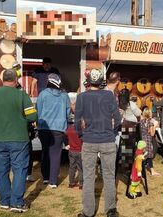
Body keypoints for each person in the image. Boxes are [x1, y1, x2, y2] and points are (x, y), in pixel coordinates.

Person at [0, 69, 37, 213]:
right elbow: (32, 117)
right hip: (19, 139)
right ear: (15, 80)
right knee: (19, 171)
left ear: (2, 80)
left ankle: (4, 201)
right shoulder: (21, 95)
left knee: (1, 171)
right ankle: (17, 203)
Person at [75, 69, 121, 217]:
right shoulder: (109, 95)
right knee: (109, 176)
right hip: (107, 140)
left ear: (88, 81)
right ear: (102, 81)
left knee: (88, 177)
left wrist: (82, 135)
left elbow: (76, 121)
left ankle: (88, 212)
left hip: (89, 140)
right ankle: (111, 210)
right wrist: (112, 133)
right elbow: (118, 119)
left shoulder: (81, 97)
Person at [36, 73, 70, 188]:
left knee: (45, 152)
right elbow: (67, 113)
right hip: (59, 128)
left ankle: (45, 177)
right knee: (56, 154)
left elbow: (39, 111)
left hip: (44, 128)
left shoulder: (43, 94)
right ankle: (53, 181)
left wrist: (38, 124)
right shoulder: (65, 96)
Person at [65, 107, 83, 189]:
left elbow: (64, 136)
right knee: (81, 168)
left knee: (72, 167)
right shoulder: (82, 130)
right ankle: (81, 184)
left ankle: (71, 183)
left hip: (71, 150)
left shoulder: (69, 129)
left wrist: (67, 144)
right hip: (80, 151)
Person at [140, 107, 160, 176]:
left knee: (142, 155)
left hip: (142, 141)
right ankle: (152, 171)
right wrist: (154, 127)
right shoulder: (150, 123)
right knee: (149, 156)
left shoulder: (141, 122)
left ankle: (140, 170)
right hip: (148, 141)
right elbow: (152, 134)